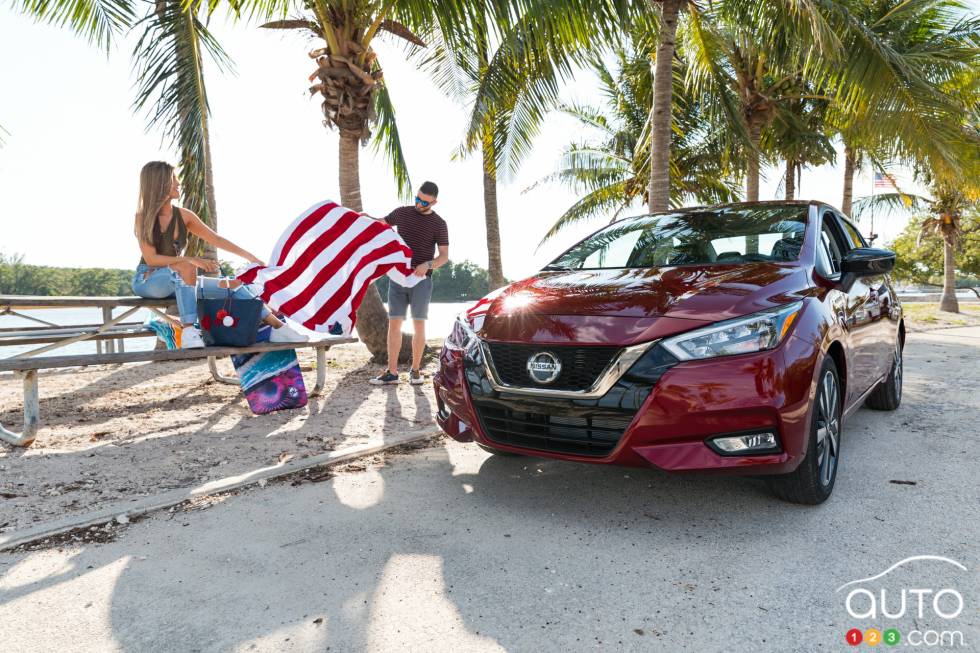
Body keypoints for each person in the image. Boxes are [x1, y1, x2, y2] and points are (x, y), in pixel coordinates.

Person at [131, 161, 308, 348]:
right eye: (173, 178)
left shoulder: (184, 216)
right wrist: (190, 260)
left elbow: (217, 239)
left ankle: (278, 328)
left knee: (233, 285)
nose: (178, 182)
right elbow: (152, 259)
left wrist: (251, 257)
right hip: (148, 280)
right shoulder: (143, 217)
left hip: (182, 281)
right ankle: (189, 331)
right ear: (160, 183)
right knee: (186, 267)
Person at [369, 181, 449, 385]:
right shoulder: (403, 213)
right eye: (418, 198)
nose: (419, 203)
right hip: (397, 278)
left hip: (422, 280)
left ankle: (415, 371)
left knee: (418, 325)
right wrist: (364, 219)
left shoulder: (439, 223)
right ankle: (392, 373)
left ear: (435, 202)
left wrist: (427, 265)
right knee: (394, 324)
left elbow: (444, 257)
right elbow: (380, 224)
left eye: (425, 202)